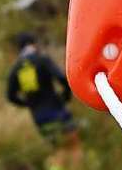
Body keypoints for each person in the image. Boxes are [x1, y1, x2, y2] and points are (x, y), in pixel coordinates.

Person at [6, 32, 82, 166]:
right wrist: (65, 97)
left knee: (57, 150)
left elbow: (10, 96)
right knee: (73, 147)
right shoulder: (42, 59)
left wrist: (28, 104)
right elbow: (63, 79)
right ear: (33, 44)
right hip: (57, 111)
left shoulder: (16, 68)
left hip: (39, 118)